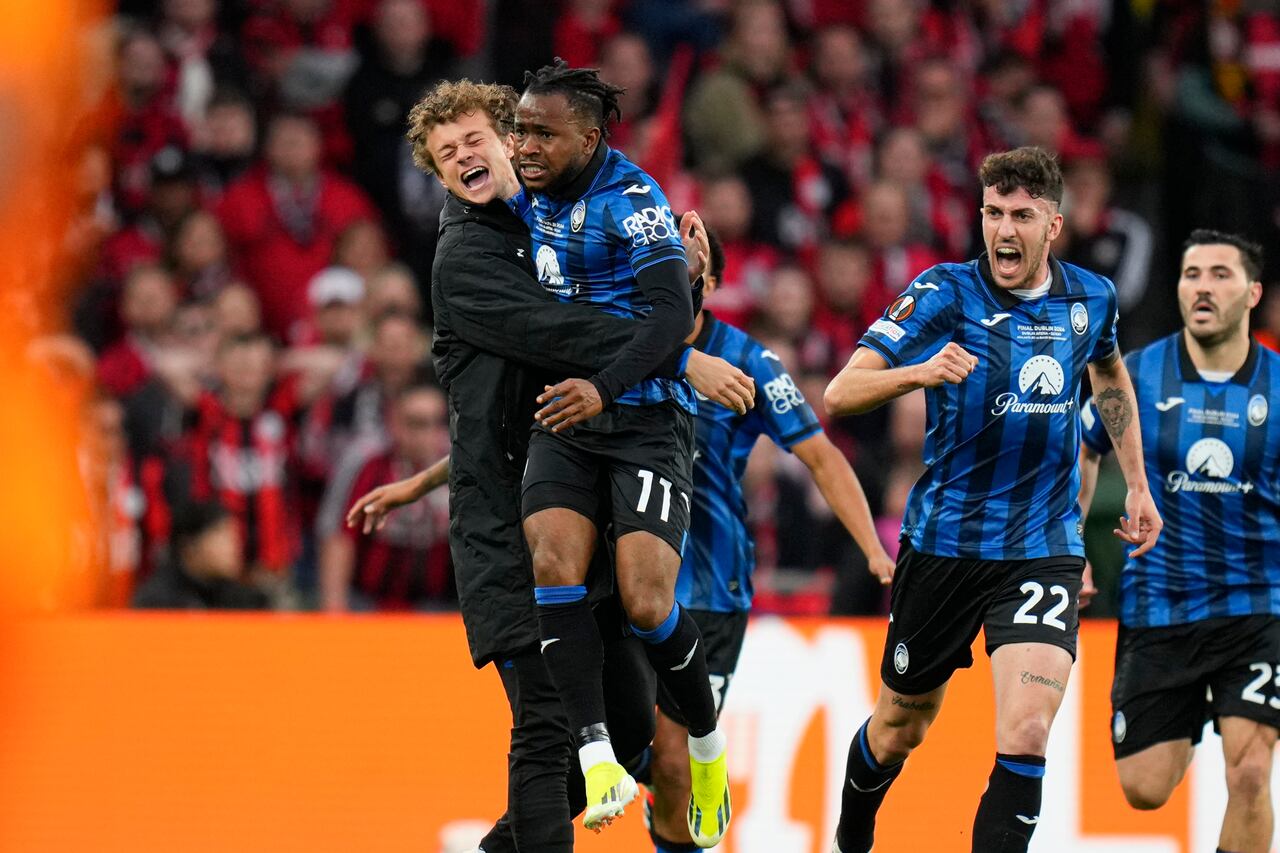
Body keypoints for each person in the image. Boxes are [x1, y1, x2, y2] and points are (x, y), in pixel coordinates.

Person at [396, 78, 753, 853]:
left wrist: (680, 285)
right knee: (546, 726)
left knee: (627, 727)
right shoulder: (465, 256)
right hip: (503, 525)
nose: (465, 157)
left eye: (475, 140)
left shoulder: (538, 221)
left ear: (511, 141)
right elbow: (553, 330)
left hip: (576, 485)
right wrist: (678, 354)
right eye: (444, 153)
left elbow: (611, 293)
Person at [823, 145, 1163, 853]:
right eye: (993, 213)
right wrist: (919, 370)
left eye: (1022, 216)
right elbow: (841, 391)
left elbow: (1107, 376)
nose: (1004, 231)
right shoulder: (943, 294)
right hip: (946, 541)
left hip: (1043, 545)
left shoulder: (1089, 297)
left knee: (1028, 727)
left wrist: (1136, 480)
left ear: (1054, 225)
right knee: (899, 726)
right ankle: (853, 829)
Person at [509, 60, 732, 843]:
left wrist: (604, 386)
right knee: (553, 559)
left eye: (543, 133)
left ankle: (706, 747)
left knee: (644, 601)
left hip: (641, 416)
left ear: (591, 138)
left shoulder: (633, 201)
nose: (525, 145)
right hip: (567, 413)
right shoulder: (517, 190)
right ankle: (598, 755)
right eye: (521, 129)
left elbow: (673, 313)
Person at [643, 228, 897, 853]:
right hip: (622, 580)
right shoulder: (618, 342)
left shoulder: (749, 363)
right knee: (620, 744)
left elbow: (822, 458)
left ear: (710, 285)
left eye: (688, 273)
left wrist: (872, 549)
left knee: (675, 764)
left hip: (709, 586)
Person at [1078, 230, 1280, 853]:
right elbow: (1082, 451)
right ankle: (1187, 712)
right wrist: (1073, 542)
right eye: (1192, 273)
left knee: (1249, 771)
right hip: (1159, 602)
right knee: (1144, 788)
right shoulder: (1135, 374)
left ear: (1252, 293)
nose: (1202, 286)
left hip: (1260, 604)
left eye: (1221, 274)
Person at [319, 381, 452, 612]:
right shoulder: (368, 462)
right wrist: (335, 608)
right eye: (416, 423)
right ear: (394, 422)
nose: (427, 434)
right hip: (369, 604)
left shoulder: (460, 466)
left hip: (438, 607)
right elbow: (339, 536)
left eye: (437, 423)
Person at [133, 501, 271, 610]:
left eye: (234, 536)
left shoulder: (246, 599)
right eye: (223, 536)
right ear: (189, 545)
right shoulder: (157, 604)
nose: (234, 546)